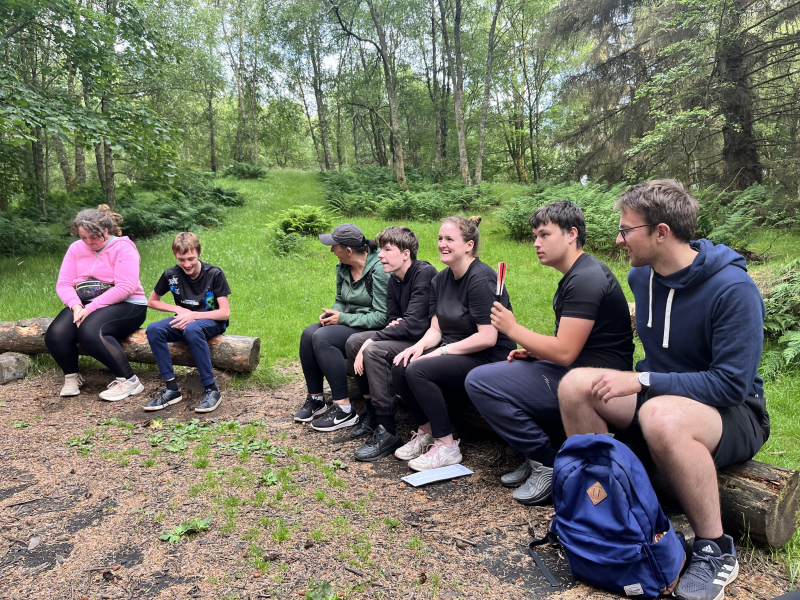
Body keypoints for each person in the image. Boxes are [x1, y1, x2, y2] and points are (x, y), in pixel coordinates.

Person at [557, 180, 770, 600]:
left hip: (733, 413)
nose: (619, 240)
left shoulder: (733, 290)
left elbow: (731, 384)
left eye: (626, 230)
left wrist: (642, 381)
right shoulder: (641, 277)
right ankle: (608, 507)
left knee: (661, 415)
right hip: (662, 398)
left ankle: (714, 550)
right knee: (577, 386)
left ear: (661, 232)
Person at [465, 201, 634, 505]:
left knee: (480, 381)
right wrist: (535, 352)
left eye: (544, 235)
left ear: (571, 234)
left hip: (599, 384)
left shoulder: (586, 278)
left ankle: (547, 461)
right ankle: (540, 455)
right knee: (493, 376)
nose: (536, 243)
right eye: (534, 236)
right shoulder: (576, 274)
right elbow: (570, 345)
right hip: (579, 371)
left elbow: (567, 352)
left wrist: (513, 329)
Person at [391, 216, 515, 471]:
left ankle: (446, 445)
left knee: (419, 369)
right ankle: (426, 429)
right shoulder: (440, 279)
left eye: (449, 239)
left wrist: (441, 352)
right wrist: (419, 347)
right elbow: (436, 328)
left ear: (469, 245)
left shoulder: (481, 279)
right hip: (457, 350)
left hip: (490, 355)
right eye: (439, 238)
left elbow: (488, 336)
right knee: (402, 363)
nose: (442, 244)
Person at [345, 226, 437, 461]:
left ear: (406, 253)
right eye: (381, 249)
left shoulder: (423, 273)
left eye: (387, 249)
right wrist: (388, 329)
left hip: (427, 341)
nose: (380, 255)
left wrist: (374, 339)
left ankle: (388, 429)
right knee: (355, 342)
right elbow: (392, 319)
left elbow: (416, 325)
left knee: (372, 349)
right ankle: (374, 412)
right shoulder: (395, 278)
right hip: (408, 336)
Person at [293, 223, 389, 431]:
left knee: (323, 337)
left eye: (334, 246)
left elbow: (382, 317)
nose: (331, 250)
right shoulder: (343, 266)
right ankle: (316, 399)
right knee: (309, 333)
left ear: (348, 250)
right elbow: (340, 300)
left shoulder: (380, 269)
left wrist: (343, 318)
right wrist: (331, 313)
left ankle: (344, 409)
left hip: (371, 326)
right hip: (349, 320)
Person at [46, 205, 148, 401]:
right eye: (83, 237)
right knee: (56, 333)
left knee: (90, 332)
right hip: (84, 302)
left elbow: (126, 287)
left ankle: (129, 380)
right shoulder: (76, 248)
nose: (89, 242)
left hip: (128, 304)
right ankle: (72, 375)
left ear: (106, 230)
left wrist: (90, 309)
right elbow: (64, 283)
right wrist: (76, 305)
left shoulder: (123, 247)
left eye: (93, 238)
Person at [144, 232, 231, 413]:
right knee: (153, 329)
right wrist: (178, 309)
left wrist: (194, 315)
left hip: (211, 320)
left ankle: (211, 389)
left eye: (191, 258)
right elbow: (152, 301)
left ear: (199, 253)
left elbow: (224, 313)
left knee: (191, 329)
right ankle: (171, 389)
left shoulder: (214, 273)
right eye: (181, 259)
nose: (187, 264)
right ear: (176, 256)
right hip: (185, 320)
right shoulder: (171, 274)